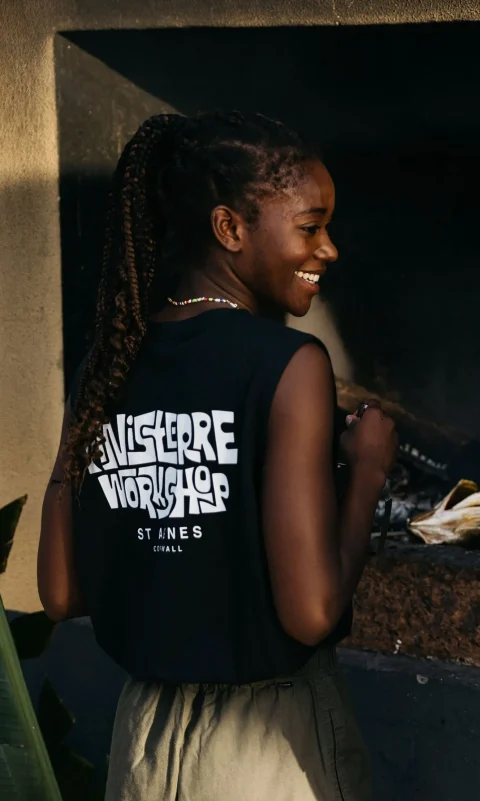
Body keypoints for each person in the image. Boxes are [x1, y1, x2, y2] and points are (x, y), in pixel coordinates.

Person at [37, 110, 397, 801]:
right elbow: (312, 612)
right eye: (310, 226)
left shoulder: (107, 366)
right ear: (230, 228)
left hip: (143, 742)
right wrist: (368, 474)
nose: (330, 249)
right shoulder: (288, 364)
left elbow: (59, 591)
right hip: (267, 747)